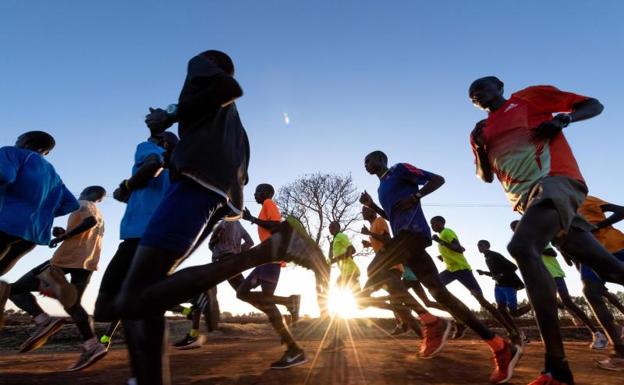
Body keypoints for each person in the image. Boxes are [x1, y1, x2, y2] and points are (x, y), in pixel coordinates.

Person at [114, 50, 326, 385]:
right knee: (146, 292)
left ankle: (272, 251)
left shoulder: (202, 67)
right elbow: (239, 173)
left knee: (134, 295)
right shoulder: (233, 128)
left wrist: (169, 115)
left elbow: (228, 87)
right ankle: (147, 377)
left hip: (197, 185)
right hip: (217, 196)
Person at [469, 76, 624, 385]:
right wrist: (481, 148)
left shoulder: (529, 98)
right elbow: (486, 177)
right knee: (611, 268)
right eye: (472, 95)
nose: (477, 94)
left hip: (556, 181)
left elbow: (594, 104)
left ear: (499, 86)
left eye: (482, 88)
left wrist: (565, 119)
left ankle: (556, 368)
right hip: (527, 201)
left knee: (521, 246)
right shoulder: (479, 132)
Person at [361, 151, 520, 384]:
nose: (366, 164)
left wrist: (416, 196)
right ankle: (500, 346)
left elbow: (437, 179)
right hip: (406, 240)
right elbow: (392, 214)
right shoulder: (381, 189)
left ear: (382, 159)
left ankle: (431, 321)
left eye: (370, 160)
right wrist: (371, 204)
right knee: (441, 295)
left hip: (413, 233)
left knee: (375, 271)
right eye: (364, 163)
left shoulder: (399, 169)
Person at [93, 128, 178, 385]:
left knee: (106, 306)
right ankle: (142, 376)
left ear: (160, 141)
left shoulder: (148, 147)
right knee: (145, 306)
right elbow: (150, 190)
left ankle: (194, 292)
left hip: (138, 237)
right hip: (163, 235)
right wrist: (127, 192)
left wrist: (128, 184)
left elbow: (152, 164)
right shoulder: (178, 167)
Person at [8, 186, 107, 371]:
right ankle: (93, 345)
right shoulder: (100, 214)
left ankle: (43, 319)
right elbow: (88, 230)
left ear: (85, 192)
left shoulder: (82, 203)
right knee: (73, 304)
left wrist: (63, 238)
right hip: (87, 263)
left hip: (64, 260)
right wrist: (64, 234)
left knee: (13, 290)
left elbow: (89, 222)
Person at [0, 131, 79, 327]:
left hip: (5, 224)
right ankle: (46, 284)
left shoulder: (13, 153)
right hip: (33, 235)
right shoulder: (53, 175)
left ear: (25, 142)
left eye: (18, 139)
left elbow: (4, 175)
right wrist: (42, 212)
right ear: (46, 152)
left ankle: (33, 285)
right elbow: (71, 204)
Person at [510, 220, 606, 349]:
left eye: (518, 227)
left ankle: (597, 333)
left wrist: (535, 249)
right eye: (514, 229)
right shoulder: (519, 245)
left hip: (554, 274)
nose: (517, 230)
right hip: (539, 277)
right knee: (545, 305)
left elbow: (553, 253)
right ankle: (555, 342)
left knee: (567, 301)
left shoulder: (538, 237)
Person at [239, 183, 305, 369]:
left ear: (267, 193)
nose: (255, 194)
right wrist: (253, 218)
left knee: (248, 294)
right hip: (266, 260)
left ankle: (289, 305)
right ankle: (293, 347)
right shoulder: (265, 207)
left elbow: (276, 226)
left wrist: (252, 218)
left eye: (258, 191)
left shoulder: (269, 203)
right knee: (257, 299)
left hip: (271, 259)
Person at [431, 216, 523, 345]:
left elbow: (459, 249)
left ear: (442, 223)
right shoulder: (442, 237)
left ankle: (511, 330)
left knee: (482, 302)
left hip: (463, 270)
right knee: (435, 289)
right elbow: (453, 253)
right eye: (431, 224)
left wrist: (441, 242)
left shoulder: (447, 232)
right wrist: (443, 258)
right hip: (451, 270)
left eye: (434, 223)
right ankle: (459, 320)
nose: (432, 226)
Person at [575, 195, 624, 370]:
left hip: (615, 247)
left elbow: (621, 211)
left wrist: (594, 227)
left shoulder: (584, 200)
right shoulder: (553, 214)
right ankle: (619, 352)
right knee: (590, 292)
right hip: (588, 257)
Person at [360, 206, 424, 337]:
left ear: (373, 211)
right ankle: (424, 335)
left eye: (366, 210)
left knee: (362, 299)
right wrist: (369, 243)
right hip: (384, 270)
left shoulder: (379, 221)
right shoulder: (373, 226)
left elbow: (388, 240)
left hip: (390, 269)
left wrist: (370, 234)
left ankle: (424, 324)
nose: (363, 213)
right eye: (362, 211)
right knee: (396, 305)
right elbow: (381, 245)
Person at [476, 240, 531, 343]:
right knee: (501, 310)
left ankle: (533, 304)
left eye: (481, 245)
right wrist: (484, 273)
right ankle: (517, 333)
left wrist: (501, 275)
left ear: (487, 246)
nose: (479, 247)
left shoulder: (495, 255)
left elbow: (513, 267)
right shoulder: (487, 258)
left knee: (514, 313)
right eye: (478, 245)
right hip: (498, 286)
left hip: (509, 285)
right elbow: (495, 273)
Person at [324, 221, 360, 351]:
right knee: (336, 304)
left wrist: (335, 259)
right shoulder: (335, 240)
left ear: (338, 228)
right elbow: (334, 258)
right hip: (345, 275)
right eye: (329, 227)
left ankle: (338, 340)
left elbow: (352, 250)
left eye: (332, 226)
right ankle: (338, 340)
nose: (330, 228)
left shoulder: (341, 236)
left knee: (362, 303)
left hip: (350, 274)